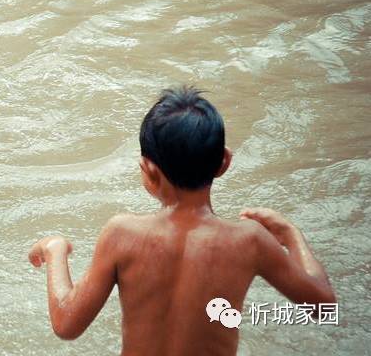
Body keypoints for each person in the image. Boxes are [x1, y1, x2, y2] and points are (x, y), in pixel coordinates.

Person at [28, 86, 336, 355]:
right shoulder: (250, 240)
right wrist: (291, 235)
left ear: (148, 170)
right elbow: (323, 307)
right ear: (224, 162)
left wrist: (56, 250)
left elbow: (66, 324)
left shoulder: (121, 233)